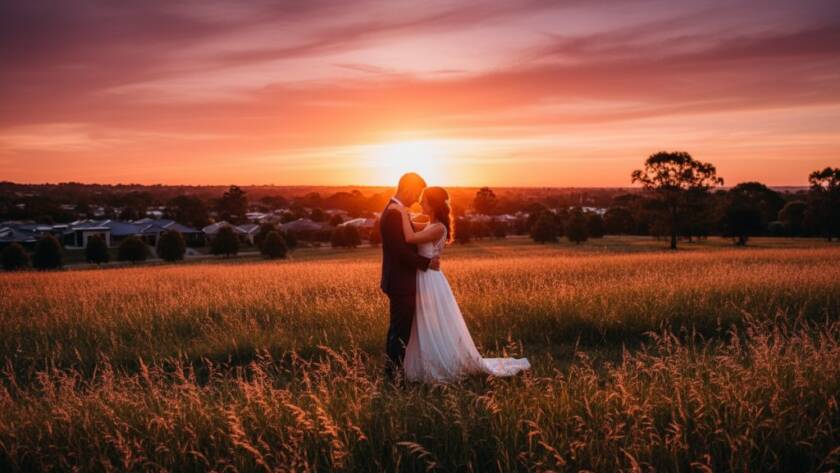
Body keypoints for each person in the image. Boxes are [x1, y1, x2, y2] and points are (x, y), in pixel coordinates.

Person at [396, 186, 530, 383]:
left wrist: (400, 212)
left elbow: (409, 237)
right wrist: (403, 214)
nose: (420, 203)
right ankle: (422, 363)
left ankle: (440, 363)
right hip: (424, 276)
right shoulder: (429, 223)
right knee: (423, 321)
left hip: (430, 280)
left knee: (434, 322)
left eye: (424, 200)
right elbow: (410, 225)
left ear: (432, 204)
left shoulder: (438, 227)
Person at [379, 172, 440, 381]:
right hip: (400, 282)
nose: (417, 199)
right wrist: (427, 263)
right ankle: (395, 377)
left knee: (398, 330)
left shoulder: (397, 211)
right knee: (400, 333)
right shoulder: (394, 214)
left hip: (399, 281)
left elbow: (414, 233)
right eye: (416, 193)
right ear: (407, 189)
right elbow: (401, 252)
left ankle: (393, 373)